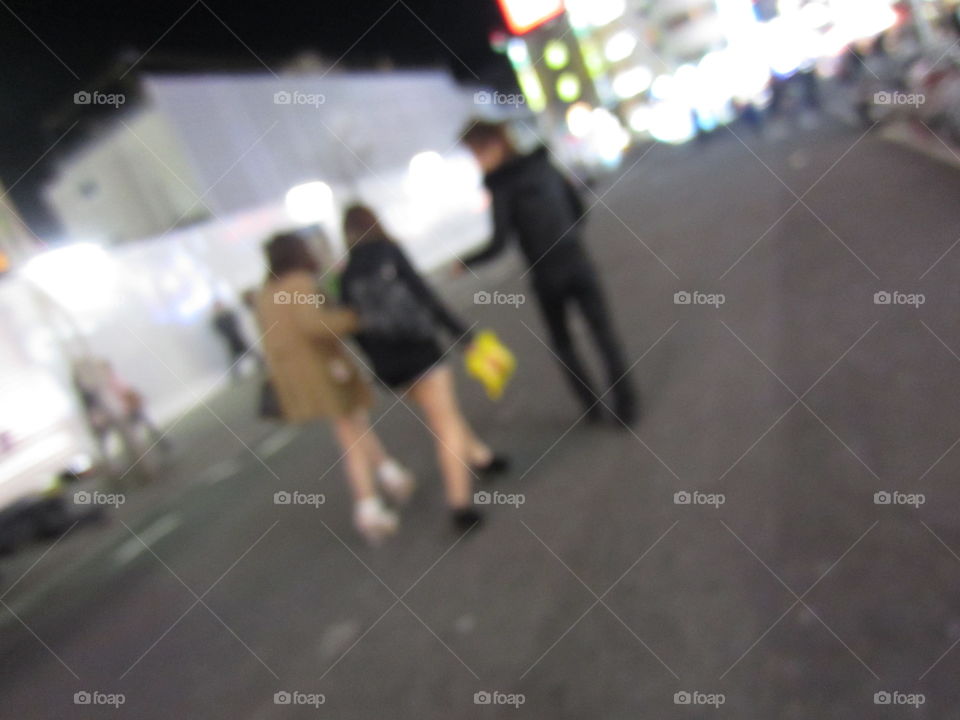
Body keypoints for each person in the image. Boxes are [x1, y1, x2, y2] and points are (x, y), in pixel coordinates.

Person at [339, 205, 507, 532]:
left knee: (439, 412)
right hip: (420, 351)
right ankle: (460, 506)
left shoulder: (345, 276)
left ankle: (482, 458)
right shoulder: (388, 252)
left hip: (390, 366)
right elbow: (425, 296)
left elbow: (354, 327)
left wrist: (379, 365)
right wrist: (464, 336)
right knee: (444, 422)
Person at [460, 121, 638, 425]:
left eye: (476, 154)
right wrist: (568, 237)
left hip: (546, 274)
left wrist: (464, 262)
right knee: (602, 332)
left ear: (492, 147)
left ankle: (592, 408)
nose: (476, 161)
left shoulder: (499, 184)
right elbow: (579, 209)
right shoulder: (543, 165)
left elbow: (499, 242)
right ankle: (627, 407)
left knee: (563, 342)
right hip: (577, 259)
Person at [255, 232, 414, 545]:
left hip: (296, 380)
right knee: (350, 437)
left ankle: (390, 474)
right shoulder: (300, 283)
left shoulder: (265, 294)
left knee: (354, 425)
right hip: (324, 373)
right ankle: (367, 506)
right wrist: (354, 317)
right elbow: (315, 325)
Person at [211, 300, 261, 378]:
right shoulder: (217, 320)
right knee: (234, 359)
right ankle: (235, 375)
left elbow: (236, 322)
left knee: (250, 352)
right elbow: (219, 330)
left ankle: (262, 363)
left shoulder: (229, 314)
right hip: (230, 340)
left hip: (237, 337)